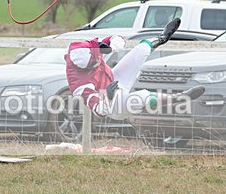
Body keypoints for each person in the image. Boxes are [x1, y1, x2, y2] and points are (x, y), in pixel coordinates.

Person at [65, 18, 204, 120]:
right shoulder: (81, 86)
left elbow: (118, 38)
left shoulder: (88, 46)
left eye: (97, 58)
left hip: (114, 78)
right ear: (83, 68)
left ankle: (161, 38)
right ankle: (178, 98)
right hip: (112, 105)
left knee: (140, 50)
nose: (98, 62)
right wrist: (109, 97)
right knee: (140, 97)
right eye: (94, 63)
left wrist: (112, 46)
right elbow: (100, 112)